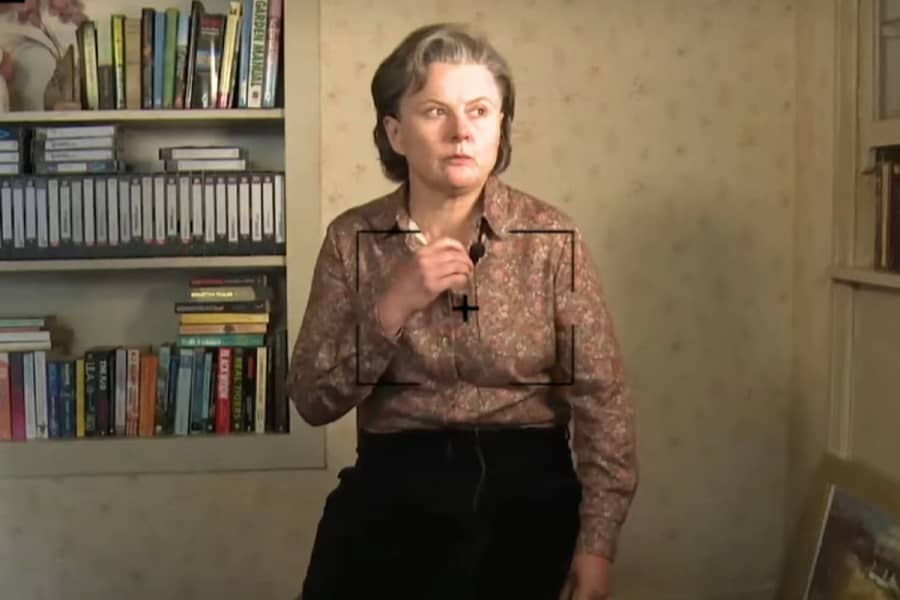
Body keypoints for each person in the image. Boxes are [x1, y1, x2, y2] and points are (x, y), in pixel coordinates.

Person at [286, 22, 638, 600]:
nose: (460, 133)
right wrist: (392, 305)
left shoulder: (551, 239)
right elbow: (312, 399)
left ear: (501, 127)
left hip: (528, 491)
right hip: (393, 489)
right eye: (435, 112)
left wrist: (597, 545)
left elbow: (604, 404)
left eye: (479, 111)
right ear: (395, 133)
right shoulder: (352, 238)